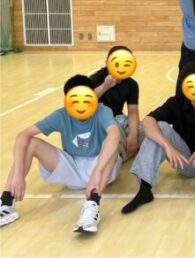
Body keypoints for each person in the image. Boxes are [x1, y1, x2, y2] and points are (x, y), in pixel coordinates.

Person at [0, 75, 122, 233]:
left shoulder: (103, 111)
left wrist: (97, 172)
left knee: (111, 147)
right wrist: (18, 175)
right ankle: (7, 202)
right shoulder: (61, 115)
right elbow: (22, 135)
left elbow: (114, 134)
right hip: (73, 167)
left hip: (100, 170)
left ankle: (93, 204)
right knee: (31, 143)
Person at [121, 61, 195, 216]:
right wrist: (168, 147)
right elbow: (148, 121)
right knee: (160, 127)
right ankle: (144, 190)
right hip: (184, 162)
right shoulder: (175, 102)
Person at [90, 45, 141, 158]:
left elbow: (133, 112)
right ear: (107, 63)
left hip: (118, 118)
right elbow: (87, 101)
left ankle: (122, 150)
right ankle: (119, 153)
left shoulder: (132, 84)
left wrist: (133, 135)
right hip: (99, 121)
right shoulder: (96, 78)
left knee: (144, 131)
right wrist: (105, 86)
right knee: (113, 135)